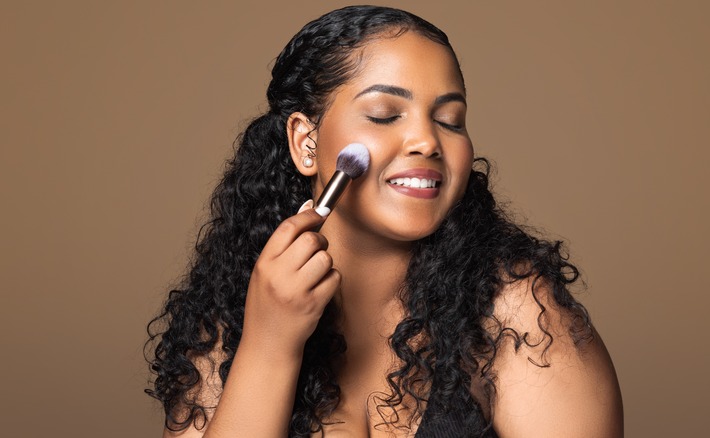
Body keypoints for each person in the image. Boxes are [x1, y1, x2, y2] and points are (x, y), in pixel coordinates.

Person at [145, 5, 623, 437]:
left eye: (450, 119)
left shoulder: (521, 316)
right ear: (306, 143)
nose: (427, 141)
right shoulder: (227, 324)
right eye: (383, 114)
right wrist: (269, 347)